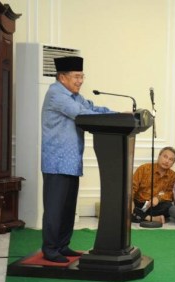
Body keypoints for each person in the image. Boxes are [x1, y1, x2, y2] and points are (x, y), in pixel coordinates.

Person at [41, 56, 112, 263]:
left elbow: (93, 108)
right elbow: (83, 115)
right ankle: (50, 249)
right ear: (62, 77)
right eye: (76, 76)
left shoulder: (74, 95)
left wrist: (119, 114)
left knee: (67, 208)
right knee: (55, 209)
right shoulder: (56, 94)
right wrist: (111, 118)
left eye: (82, 76)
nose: (80, 81)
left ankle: (62, 245)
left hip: (71, 162)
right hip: (57, 162)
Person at [131, 146, 175, 224]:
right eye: (165, 157)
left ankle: (138, 216)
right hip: (139, 203)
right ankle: (151, 218)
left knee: (169, 207)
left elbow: (171, 194)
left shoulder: (173, 176)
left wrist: (158, 198)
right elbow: (132, 187)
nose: (167, 161)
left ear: (173, 163)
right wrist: (130, 200)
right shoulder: (144, 168)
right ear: (159, 156)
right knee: (125, 207)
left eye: (171, 159)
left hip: (155, 206)